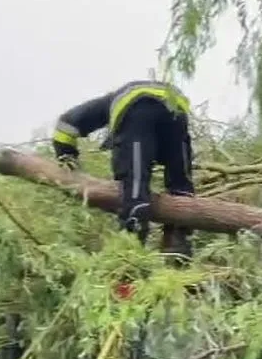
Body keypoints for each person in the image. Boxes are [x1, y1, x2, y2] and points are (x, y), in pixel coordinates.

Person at [51, 80, 195, 256]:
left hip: (139, 111)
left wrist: (67, 160)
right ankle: (178, 240)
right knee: (180, 180)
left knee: (135, 185)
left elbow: (64, 126)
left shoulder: (108, 103)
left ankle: (129, 255)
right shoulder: (126, 98)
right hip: (177, 110)